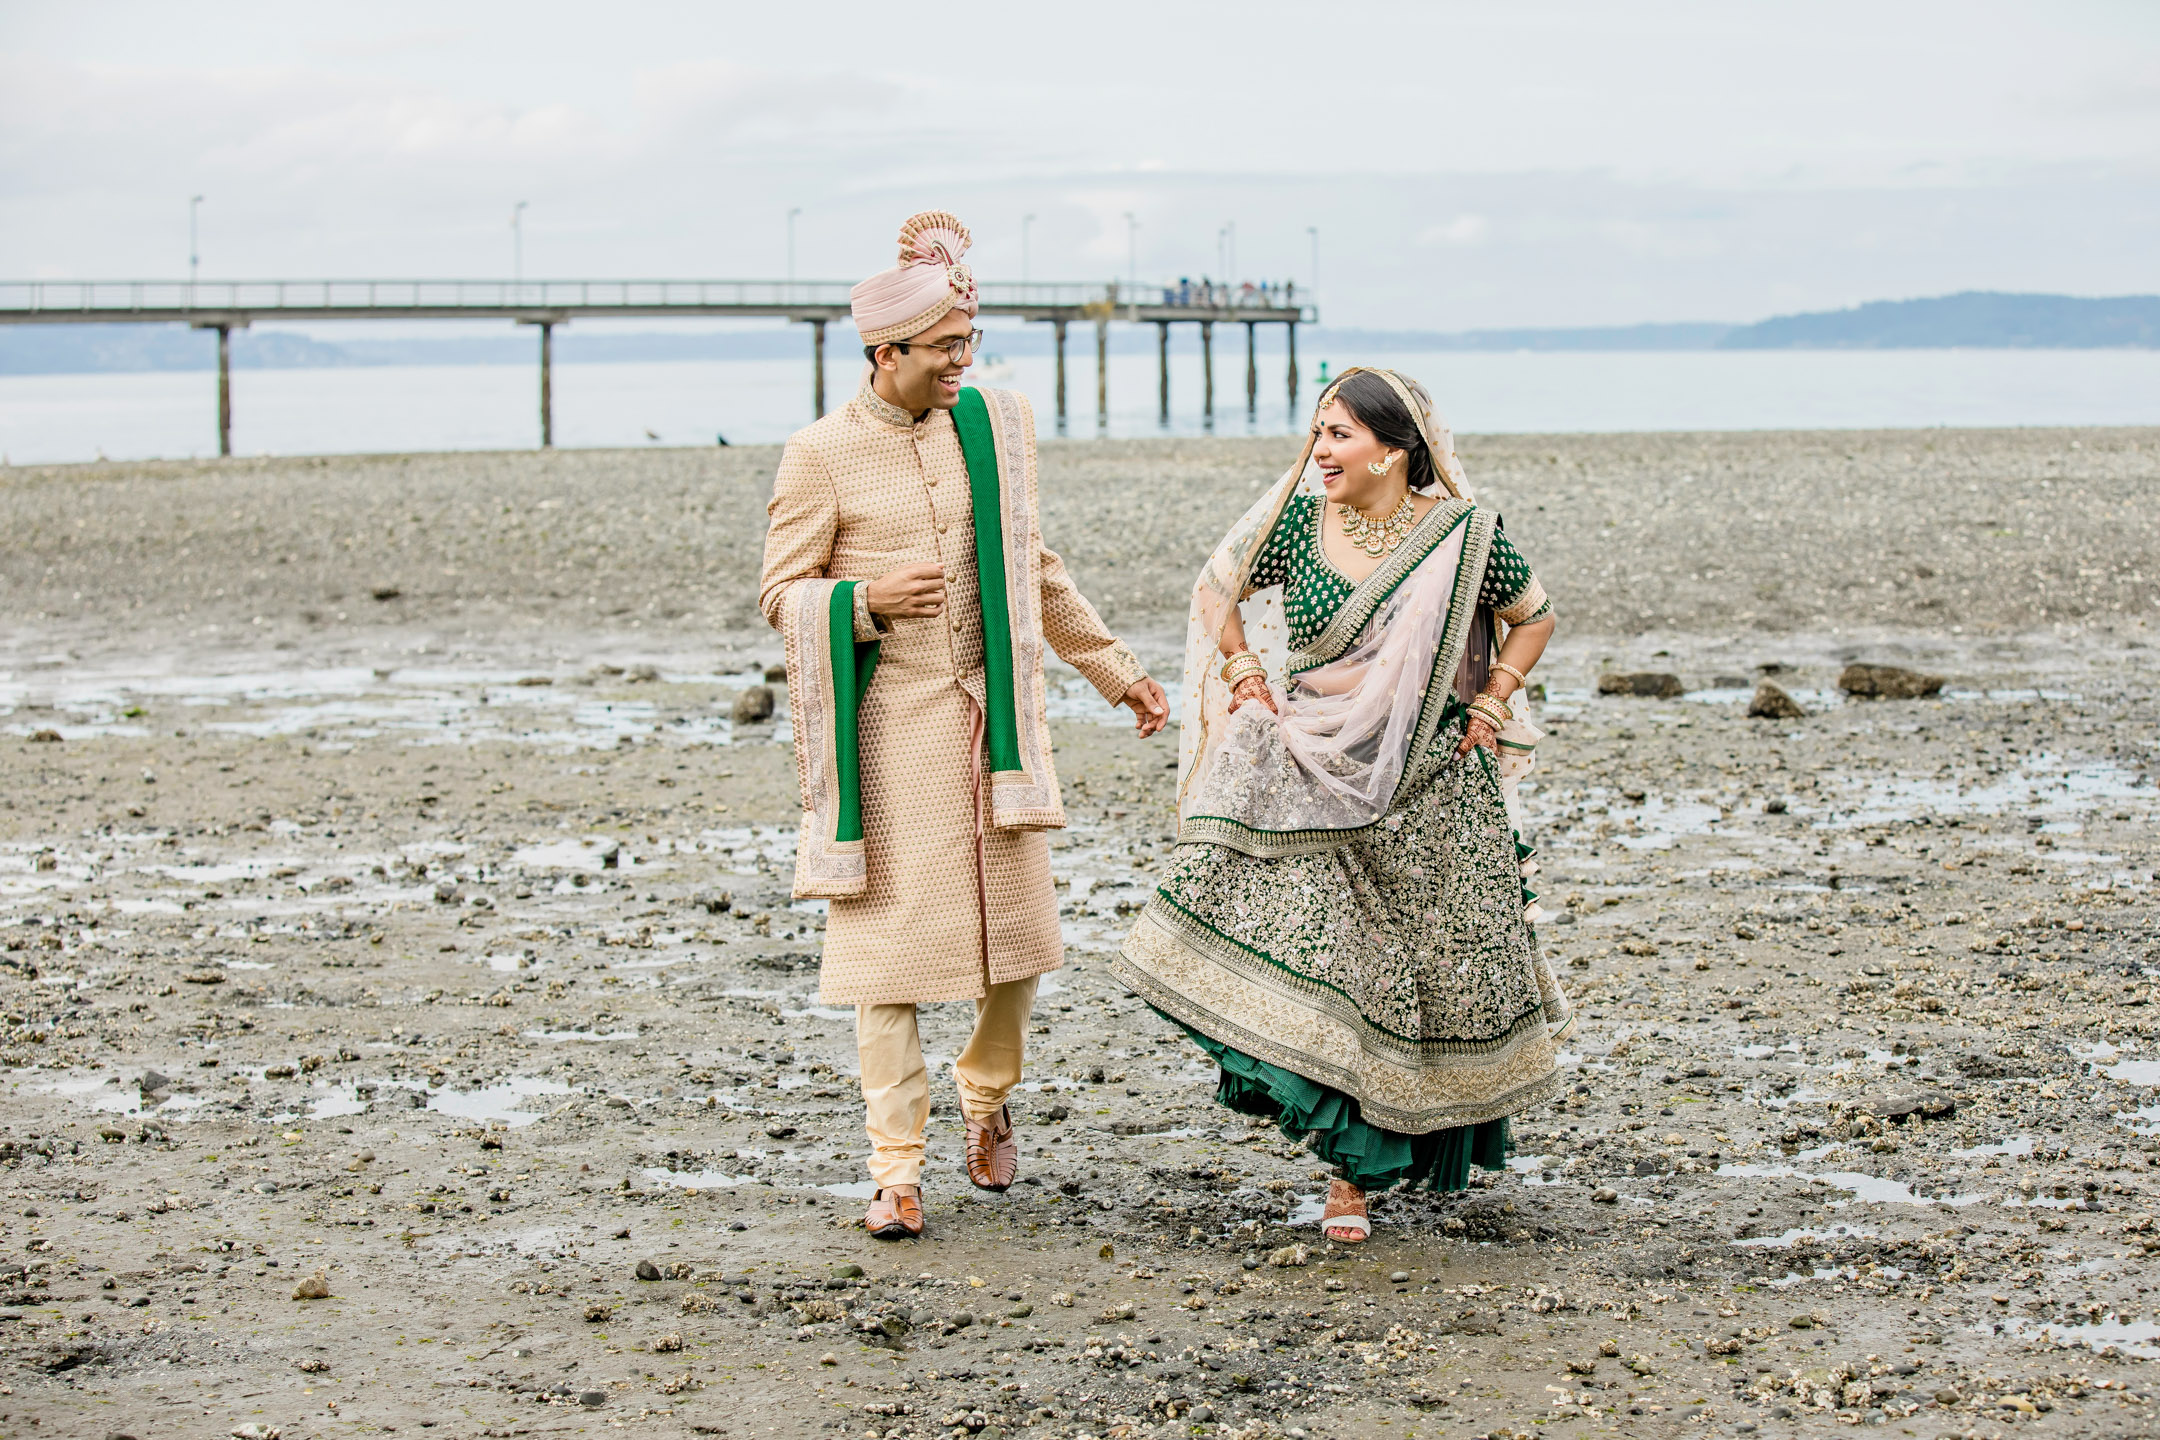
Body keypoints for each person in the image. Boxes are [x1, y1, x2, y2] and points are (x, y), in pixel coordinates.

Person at [760, 210, 1170, 1240]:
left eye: (968, 346)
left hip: (998, 731)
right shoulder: (819, 454)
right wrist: (861, 600)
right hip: (890, 741)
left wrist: (1117, 673)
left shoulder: (991, 429)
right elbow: (780, 594)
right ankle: (895, 1171)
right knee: (883, 961)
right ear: (882, 352)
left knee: (1019, 947)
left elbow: (1036, 572)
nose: (962, 365)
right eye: (944, 350)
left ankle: (987, 1096)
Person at [1112, 367, 1569, 1243]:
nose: (1318, 452)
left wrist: (1495, 697)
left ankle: (1403, 1144)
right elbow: (1219, 587)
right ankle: (1346, 1181)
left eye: (1338, 436)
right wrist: (1244, 670)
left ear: (1395, 450)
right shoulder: (1297, 521)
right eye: (1318, 432)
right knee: (1336, 963)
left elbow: (1535, 614)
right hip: (1313, 768)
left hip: (1432, 781)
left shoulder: (1464, 536)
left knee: (1432, 966)